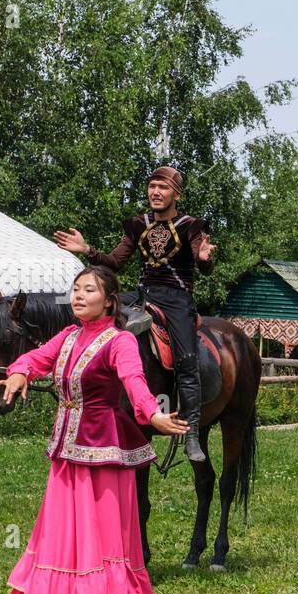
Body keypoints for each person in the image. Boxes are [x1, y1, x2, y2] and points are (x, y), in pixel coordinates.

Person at [0, 266, 189, 594]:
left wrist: (153, 415)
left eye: (89, 289)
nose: (79, 295)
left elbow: (135, 382)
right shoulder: (67, 337)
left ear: (109, 300)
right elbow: (36, 357)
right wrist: (17, 373)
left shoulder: (119, 342)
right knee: (60, 541)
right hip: (66, 454)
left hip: (102, 457)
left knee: (98, 543)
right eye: (76, 289)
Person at [53, 166, 215, 461]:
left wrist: (204, 259)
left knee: (186, 360)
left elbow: (201, 263)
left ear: (176, 194)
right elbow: (114, 262)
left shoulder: (190, 225)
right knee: (97, 306)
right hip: (141, 294)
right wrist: (87, 249)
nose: (155, 192)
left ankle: (191, 432)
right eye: (152, 186)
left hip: (176, 299)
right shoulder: (138, 224)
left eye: (163, 187)